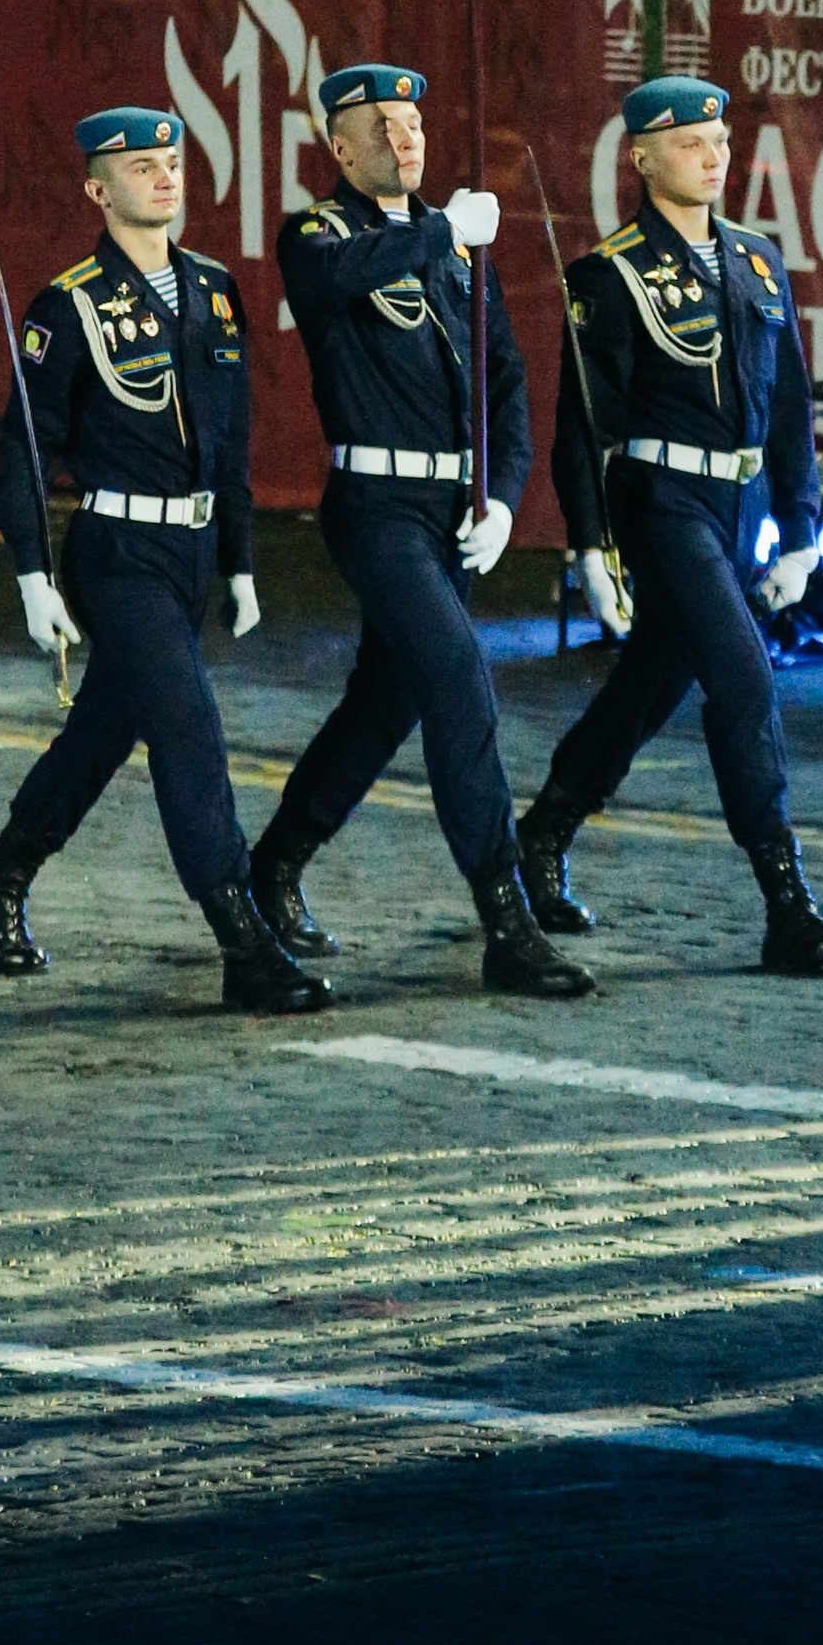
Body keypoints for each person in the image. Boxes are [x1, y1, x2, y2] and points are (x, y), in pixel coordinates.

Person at [0, 104, 329, 1014]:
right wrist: (34, 573)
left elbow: (229, 441)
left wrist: (238, 560)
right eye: (141, 165)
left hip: (190, 550)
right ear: (97, 188)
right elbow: (27, 449)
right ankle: (242, 938)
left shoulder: (212, 289)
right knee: (189, 729)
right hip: (117, 553)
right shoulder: (71, 303)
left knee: (103, 733)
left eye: (172, 160)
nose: (165, 176)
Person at [248, 61, 595, 1001]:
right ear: (339, 144)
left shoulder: (455, 246)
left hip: (453, 515)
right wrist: (446, 227)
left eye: (414, 123)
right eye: (382, 125)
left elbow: (508, 385)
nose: (405, 139)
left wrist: (504, 494)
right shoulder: (321, 236)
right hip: (375, 510)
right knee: (456, 678)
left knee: (384, 703)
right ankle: (506, 919)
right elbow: (337, 280)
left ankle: (273, 864)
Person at [517, 77, 823, 976]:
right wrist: (589, 546)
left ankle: (542, 831)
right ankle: (786, 901)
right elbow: (583, 424)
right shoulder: (610, 273)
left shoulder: (755, 261)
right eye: (691, 142)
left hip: (736, 505)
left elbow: (787, 406)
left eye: (720, 140)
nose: (714, 155)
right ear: (642, 158)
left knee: (654, 681)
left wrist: (801, 527)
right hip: (661, 501)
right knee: (743, 681)